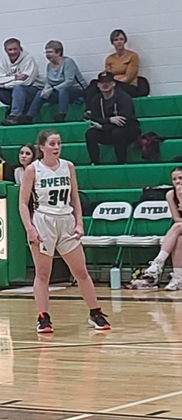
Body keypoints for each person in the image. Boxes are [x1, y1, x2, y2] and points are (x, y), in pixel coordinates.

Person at [20, 130, 109, 333]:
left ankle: (95, 313)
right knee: (43, 273)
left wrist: (79, 223)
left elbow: (75, 197)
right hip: (44, 221)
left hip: (66, 221)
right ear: (42, 147)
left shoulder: (68, 166)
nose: (56, 147)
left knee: (81, 271)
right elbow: (23, 203)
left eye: (58, 143)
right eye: (52, 143)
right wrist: (29, 228)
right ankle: (43, 318)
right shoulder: (33, 169)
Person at [85, 71, 141, 165]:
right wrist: (110, 120)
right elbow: (94, 118)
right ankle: (94, 162)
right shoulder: (96, 100)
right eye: (102, 82)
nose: (105, 85)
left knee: (117, 132)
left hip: (129, 130)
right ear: (98, 85)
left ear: (113, 84)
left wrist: (103, 126)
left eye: (108, 82)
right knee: (90, 134)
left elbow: (124, 121)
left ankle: (122, 162)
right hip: (108, 130)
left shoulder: (124, 98)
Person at [23, 40, 86, 124]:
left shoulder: (68, 62)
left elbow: (69, 81)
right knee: (40, 93)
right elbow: (48, 82)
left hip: (75, 90)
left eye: (50, 52)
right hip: (57, 92)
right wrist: (46, 90)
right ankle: (29, 117)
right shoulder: (49, 66)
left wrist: (53, 89)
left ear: (58, 52)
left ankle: (61, 114)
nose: (47, 55)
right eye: (46, 52)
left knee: (63, 89)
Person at [0, 38, 43, 125]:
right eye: (10, 50)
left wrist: (5, 85)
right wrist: (15, 77)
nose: (13, 52)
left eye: (15, 49)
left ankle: (14, 116)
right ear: (5, 51)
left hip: (31, 93)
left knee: (18, 87)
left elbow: (27, 82)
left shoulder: (29, 60)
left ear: (20, 48)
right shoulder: (3, 62)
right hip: (14, 94)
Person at [140, 167, 182, 290]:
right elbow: (177, 218)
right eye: (174, 179)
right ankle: (178, 279)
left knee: (178, 227)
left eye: (180, 178)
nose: (177, 181)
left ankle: (158, 262)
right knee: (179, 239)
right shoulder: (170, 194)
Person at [91, 29, 142, 99]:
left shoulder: (133, 56)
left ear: (125, 41)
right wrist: (108, 83)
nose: (119, 42)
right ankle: (90, 106)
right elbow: (107, 77)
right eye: (116, 40)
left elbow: (128, 77)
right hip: (112, 84)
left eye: (121, 39)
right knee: (94, 83)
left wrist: (112, 82)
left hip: (128, 86)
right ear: (112, 42)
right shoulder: (109, 58)